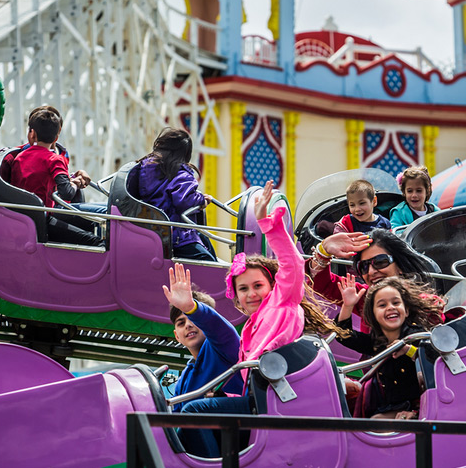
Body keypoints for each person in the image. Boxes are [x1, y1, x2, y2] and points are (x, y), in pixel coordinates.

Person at [177, 181, 346, 457]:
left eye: (258, 285)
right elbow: (249, 383)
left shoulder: (282, 302)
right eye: (243, 289)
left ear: (272, 286)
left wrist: (267, 223)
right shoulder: (249, 329)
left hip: (282, 401)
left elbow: (292, 263)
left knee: (194, 412)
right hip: (265, 399)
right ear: (236, 297)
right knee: (188, 420)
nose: (251, 294)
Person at [336, 276, 443, 419]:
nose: (391, 307)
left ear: (406, 310)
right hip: (392, 405)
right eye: (382, 305)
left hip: (423, 405)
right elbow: (344, 335)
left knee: (376, 421)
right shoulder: (377, 341)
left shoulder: (416, 335)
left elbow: (433, 358)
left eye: (396, 302)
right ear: (373, 315)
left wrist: (408, 350)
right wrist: (348, 305)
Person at [9, 108, 102, 246]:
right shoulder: (54, 159)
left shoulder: (19, 157)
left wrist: (71, 179)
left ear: (32, 134)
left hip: (22, 218)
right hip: (43, 218)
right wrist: (74, 183)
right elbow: (67, 193)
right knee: (97, 241)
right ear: (56, 137)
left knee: (90, 222)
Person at [307, 228, 438, 322]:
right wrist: (323, 251)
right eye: (363, 266)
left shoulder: (428, 304)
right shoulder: (362, 297)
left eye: (380, 262)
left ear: (400, 266)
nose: (371, 272)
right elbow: (323, 284)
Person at [163, 263, 242, 405]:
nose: (188, 325)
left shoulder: (225, 347)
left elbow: (216, 326)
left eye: (193, 319)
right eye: (181, 323)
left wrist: (190, 308)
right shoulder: (183, 381)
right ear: (176, 336)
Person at [136, 128, 217, 261]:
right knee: (208, 260)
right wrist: (202, 200)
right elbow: (184, 200)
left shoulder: (146, 167)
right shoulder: (180, 174)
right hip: (176, 233)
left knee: (203, 239)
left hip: (155, 228)